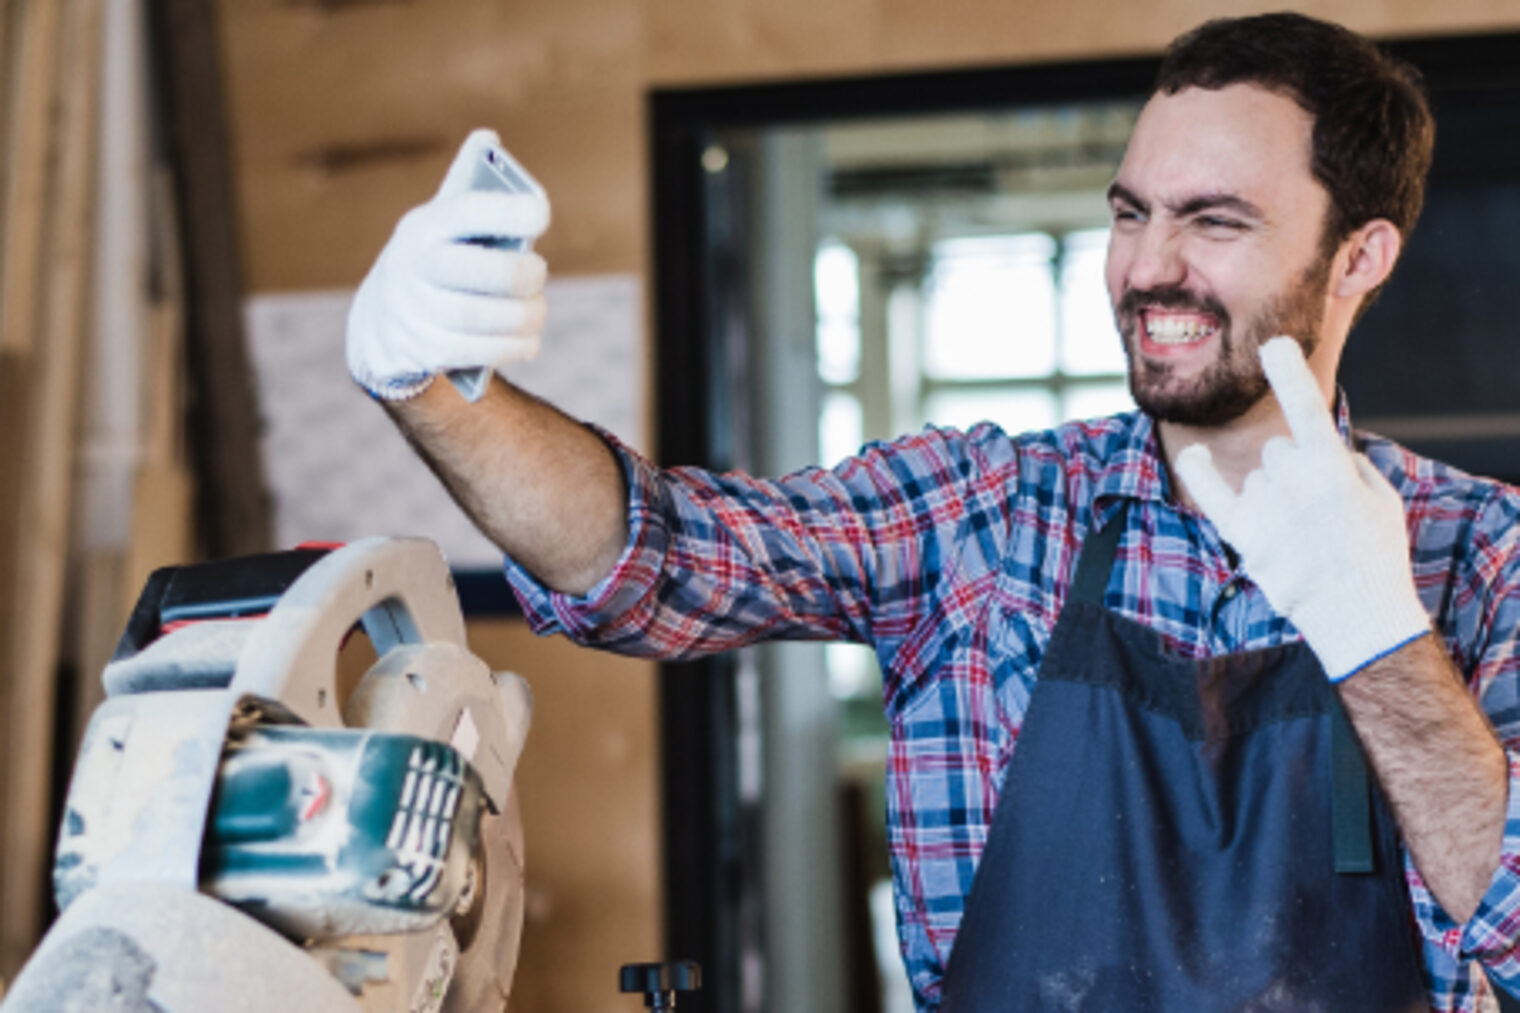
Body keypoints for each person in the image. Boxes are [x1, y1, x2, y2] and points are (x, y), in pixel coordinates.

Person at [345, 12, 1520, 1011]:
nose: (1146, 267)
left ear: (1359, 255)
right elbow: (654, 556)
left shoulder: (1478, 555)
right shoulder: (986, 512)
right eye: (1128, 213)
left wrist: (1377, 632)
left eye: (1212, 221)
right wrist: (436, 389)